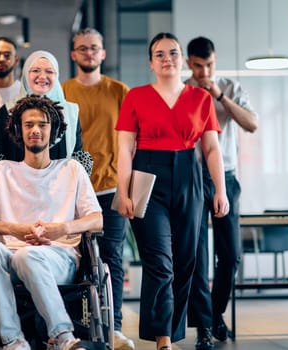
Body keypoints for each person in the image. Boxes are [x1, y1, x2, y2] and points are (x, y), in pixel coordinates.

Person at [115, 32, 229, 350]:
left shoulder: (201, 98)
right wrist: (123, 192)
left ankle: (172, 330)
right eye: (160, 54)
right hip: (147, 177)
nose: (168, 59)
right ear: (151, 62)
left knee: (186, 260)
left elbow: (212, 150)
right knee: (160, 261)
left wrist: (220, 190)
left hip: (189, 177)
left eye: (173, 53)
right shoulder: (136, 96)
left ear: (182, 59)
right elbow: (124, 149)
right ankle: (163, 337)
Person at [0, 95, 103, 350]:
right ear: (18, 130)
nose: (36, 130)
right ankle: (14, 341)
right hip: (11, 255)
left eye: (42, 124)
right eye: (29, 125)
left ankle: (63, 337)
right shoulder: (1, 170)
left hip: (59, 256)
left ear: (54, 130)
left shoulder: (72, 169)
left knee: (27, 256)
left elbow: (97, 219)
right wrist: (13, 230)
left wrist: (62, 228)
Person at [62, 28, 134, 350]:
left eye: (94, 48)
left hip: (111, 189)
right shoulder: (61, 92)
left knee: (111, 260)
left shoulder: (121, 92)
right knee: (73, 259)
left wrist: (129, 188)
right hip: (72, 191)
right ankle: (75, 327)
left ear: (103, 53)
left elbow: (134, 143)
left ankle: (113, 327)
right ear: (74, 55)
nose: (89, 53)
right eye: (82, 49)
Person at [184, 36, 258, 350]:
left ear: (215, 61)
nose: (204, 71)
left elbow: (252, 124)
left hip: (226, 177)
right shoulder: (182, 90)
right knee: (198, 258)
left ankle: (215, 314)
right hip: (192, 178)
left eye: (209, 65)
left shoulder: (229, 87)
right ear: (189, 63)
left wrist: (220, 97)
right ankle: (203, 326)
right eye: (198, 66)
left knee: (230, 255)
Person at [0, 50, 92, 183]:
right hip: (16, 192)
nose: (42, 76)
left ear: (57, 76)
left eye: (49, 71)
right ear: (26, 74)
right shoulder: (7, 112)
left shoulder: (70, 113)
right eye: (36, 70)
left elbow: (76, 157)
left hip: (59, 194)